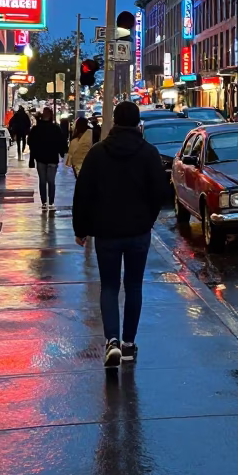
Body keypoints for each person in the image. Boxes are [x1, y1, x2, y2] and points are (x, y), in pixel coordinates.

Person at [73, 100, 166, 369]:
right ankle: (128, 344)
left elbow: (83, 194)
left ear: (113, 121)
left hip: (107, 232)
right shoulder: (148, 153)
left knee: (110, 287)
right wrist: (148, 218)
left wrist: (81, 229)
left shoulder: (98, 153)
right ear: (138, 123)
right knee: (134, 285)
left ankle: (111, 340)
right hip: (138, 232)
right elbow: (160, 192)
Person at [27, 107, 67, 211]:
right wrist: (62, 153)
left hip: (40, 158)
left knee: (43, 181)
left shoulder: (36, 129)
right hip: (52, 157)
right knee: (51, 181)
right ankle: (51, 202)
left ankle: (44, 202)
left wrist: (32, 158)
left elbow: (31, 143)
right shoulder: (56, 128)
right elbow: (61, 142)